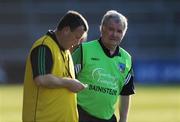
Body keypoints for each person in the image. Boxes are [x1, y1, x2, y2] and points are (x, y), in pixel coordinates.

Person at [22, 10, 89, 122]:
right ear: (66, 30)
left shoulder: (65, 51)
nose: (78, 43)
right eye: (77, 37)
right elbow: (41, 79)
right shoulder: (43, 46)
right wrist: (69, 83)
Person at [72, 10, 135, 122]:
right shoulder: (84, 50)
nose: (114, 34)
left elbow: (126, 92)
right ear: (102, 28)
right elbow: (67, 78)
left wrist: (123, 119)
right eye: (111, 29)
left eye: (119, 31)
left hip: (108, 119)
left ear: (123, 34)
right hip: (80, 116)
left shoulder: (126, 59)